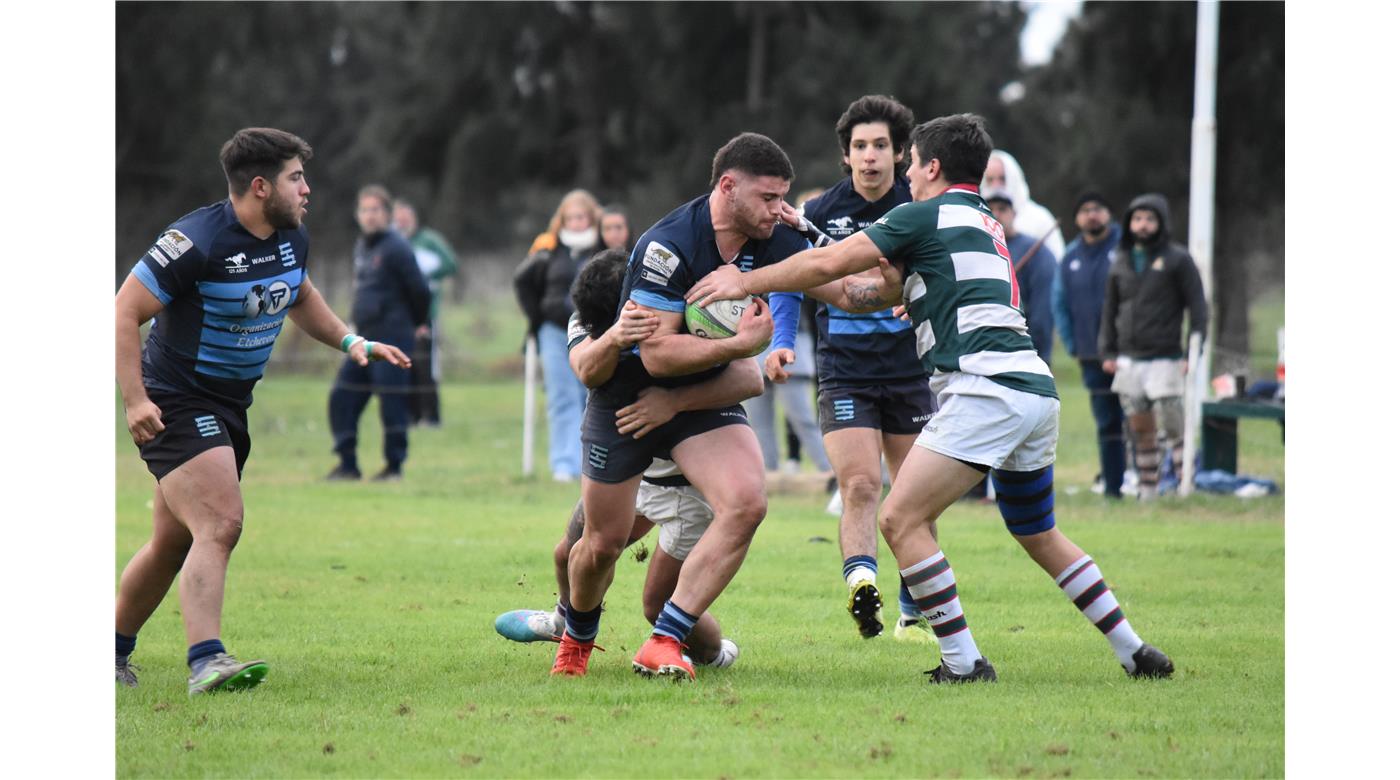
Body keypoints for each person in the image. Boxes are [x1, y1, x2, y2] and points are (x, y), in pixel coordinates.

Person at [690, 113, 1174, 683]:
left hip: (982, 390)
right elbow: (865, 291)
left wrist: (744, 282)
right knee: (1038, 531)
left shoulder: (922, 213)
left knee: (898, 518)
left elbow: (834, 265)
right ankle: (1134, 650)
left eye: (912, 162)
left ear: (933, 167)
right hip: (1034, 391)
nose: (906, 174)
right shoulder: (984, 221)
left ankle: (963, 662)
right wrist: (809, 233)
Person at [114, 128, 411, 694]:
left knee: (173, 542)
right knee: (221, 522)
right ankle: (207, 659)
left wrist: (353, 342)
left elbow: (297, 295)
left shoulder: (289, 237)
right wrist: (135, 401)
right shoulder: (196, 241)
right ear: (259, 187)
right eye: (296, 178)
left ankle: (111, 651)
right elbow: (124, 310)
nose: (307, 189)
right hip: (176, 399)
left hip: (230, 407)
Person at [552, 132, 800, 681]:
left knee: (747, 502)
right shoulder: (656, 259)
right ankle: (575, 638)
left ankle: (665, 638)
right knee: (596, 547)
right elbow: (632, 364)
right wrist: (621, 340)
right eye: (768, 198)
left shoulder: (772, 232)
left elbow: (751, 373)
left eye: (782, 198)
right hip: (623, 408)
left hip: (692, 400)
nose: (777, 210)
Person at [495, 248, 760, 669]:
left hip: (687, 484)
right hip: (636, 466)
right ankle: (566, 621)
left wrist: (674, 401)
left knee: (657, 606)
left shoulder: (688, 314)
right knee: (571, 551)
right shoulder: (594, 313)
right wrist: (616, 336)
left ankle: (716, 655)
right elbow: (584, 367)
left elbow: (750, 377)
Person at [779, 95, 935, 643]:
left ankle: (914, 614)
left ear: (900, 154)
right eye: (860, 147)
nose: (870, 156)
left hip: (913, 372)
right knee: (863, 485)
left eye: (880, 146)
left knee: (916, 498)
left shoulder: (919, 208)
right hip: (845, 371)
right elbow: (789, 278)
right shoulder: (821, 212)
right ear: (846, 156)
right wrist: (780, 341)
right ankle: (862, 583)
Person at [1099, 193, 1209, 501]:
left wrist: (1193, 351)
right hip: (1130, 359)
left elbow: (1198, 309)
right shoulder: (1120, 260)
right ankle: (1148, 492)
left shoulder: (1178, 259)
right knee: (1140, 429)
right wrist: (1106, 352)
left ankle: (1185, 487)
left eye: (1149, 219)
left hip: (1166, 357)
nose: (1143, 225)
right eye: (1137, 219)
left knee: (1174, 427)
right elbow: (1109, 310)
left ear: (1160, 222)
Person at [326, 185, 431, 481]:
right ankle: (347, 464)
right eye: (364, 210)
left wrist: (417, 321)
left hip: (394, 335)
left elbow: (420, 290)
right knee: (342, 396)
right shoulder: (363, 246)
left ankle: (394, 467)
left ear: (386, 214)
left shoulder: (397, 247)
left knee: (392, 401)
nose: (369, 216)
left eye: (375, 210)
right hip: (364, 339)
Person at [513, 190, 606, 481]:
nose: (577, 223)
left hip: (593, 330)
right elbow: (523, 281)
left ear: (592, 218)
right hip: (554, 330)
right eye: (571, 218)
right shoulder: (548, 247)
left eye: (582, 217)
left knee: (590, 395)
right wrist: (537, 317)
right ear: (561, 220)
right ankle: (564, 464)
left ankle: (589, 464)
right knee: (562, 395)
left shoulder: (603, 246)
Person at [1053, 191, 1128, 499]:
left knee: (1138, 420)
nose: (1091, 215)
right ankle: (1113, 487)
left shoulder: (1127, 248)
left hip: (1129, 352)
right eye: (1084, 210)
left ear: (1108, 214)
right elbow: (1059, 303)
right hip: (1090, 353)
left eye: (1097, 208)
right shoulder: (1070, 256)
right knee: (1107, 422)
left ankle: (1149, 482)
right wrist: (1073, 344)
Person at [392, 198, 458, 428]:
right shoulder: (393, 241)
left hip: (425, 313)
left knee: (425, 365)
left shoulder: (429, 240)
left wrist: (426, 274)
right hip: (400, 314)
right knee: (404, 362)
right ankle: (411, 414)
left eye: (405, 218)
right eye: (397, 219)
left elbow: (451, 263)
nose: (402, 223)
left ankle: (431, 415)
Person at [984, 188, 1055, 364]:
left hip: (1025, 348)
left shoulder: (1037, 252)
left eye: (1002, 209)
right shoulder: (975, 249)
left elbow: (1043, 310)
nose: (996, 214)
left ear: (1013, 214)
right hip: (985, 348)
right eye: (990, 209)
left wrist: (1038, 353)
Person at [981, 149, 1065, 262]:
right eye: (990, 180)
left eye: (1002, 178)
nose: (996, 186)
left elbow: (1057, 265)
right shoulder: (976, 218)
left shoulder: (1040, 218)